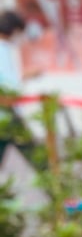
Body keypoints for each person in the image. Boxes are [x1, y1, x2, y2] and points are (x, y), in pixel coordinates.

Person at [0, 9, 44, 170]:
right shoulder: (2, 50)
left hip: (6, 115)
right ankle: (58, 192)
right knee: (38, 159)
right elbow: (9, 87)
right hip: (7, 115)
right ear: (14, 30)